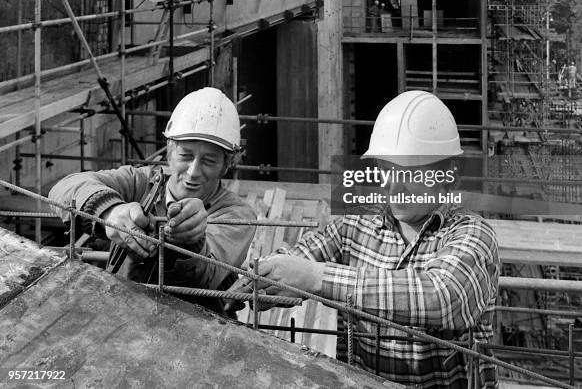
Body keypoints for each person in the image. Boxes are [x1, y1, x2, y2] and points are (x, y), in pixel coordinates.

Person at [233, 90, 500, 388]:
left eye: (409, 173)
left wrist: (312, 277)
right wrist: (267, 275)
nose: (392, 185)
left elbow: (443, 297)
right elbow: (303, 254)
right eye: (385, 169)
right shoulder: (357, 224)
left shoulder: (472, 235)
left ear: (450, 174)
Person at [49, 87, 256, 315]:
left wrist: (191, 242)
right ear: (169, 150)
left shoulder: (237, 214)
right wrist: (109, 212)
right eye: (185, 156)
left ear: (226, 164)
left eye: (209, 161)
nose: (194, 171)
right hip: (121, 314)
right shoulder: (142, 182)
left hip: (195, 331)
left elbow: (203, 276)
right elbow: (64, 188)